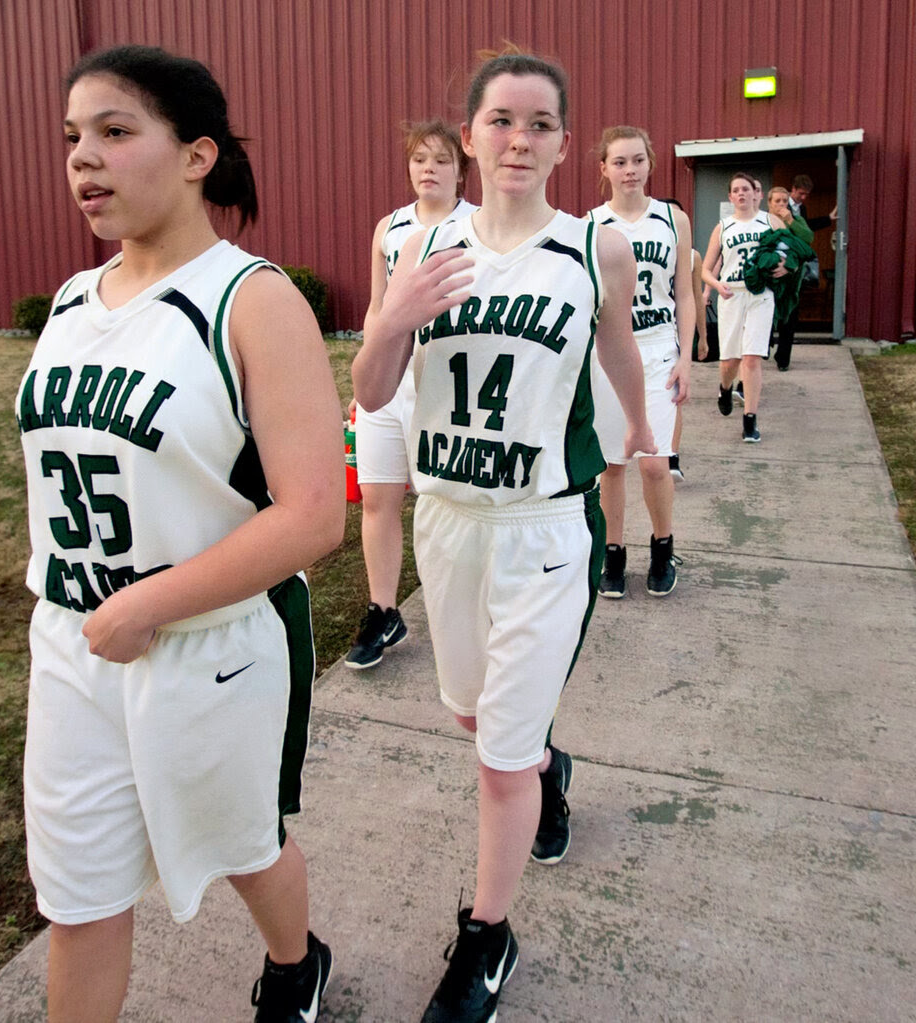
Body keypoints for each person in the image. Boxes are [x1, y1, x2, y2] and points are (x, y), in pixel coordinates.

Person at [16, 45, 344, 1022]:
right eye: (74, 137)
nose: (84, 158)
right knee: (79, 900)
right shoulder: (74, 301)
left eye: (115, 132)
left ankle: (296, 961)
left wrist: (149, 602)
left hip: (210, 650)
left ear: (197, 154)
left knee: (244, 847)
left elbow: (314, 514)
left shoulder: (250, 298)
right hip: (73, 647)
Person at [353, 49, 654, 1023]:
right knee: (479, 726)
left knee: (494, 763)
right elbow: (367, 392)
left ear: (565, 144)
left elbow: (613, 347)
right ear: (471, 134)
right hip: (445, 522)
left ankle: (487, 934)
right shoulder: (421, 245)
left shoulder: (588, 248)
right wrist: (391, 315)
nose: (518, 139)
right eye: (500, 120)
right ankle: (545, 765)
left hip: (542, 527)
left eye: (537, 124)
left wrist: (643, 428)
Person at [345, 121, 477, 669]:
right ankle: (383, 611)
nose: (429, 169)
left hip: (445, 381)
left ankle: (464, 612)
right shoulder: (389, 228)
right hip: (391, 379)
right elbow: (379, 309)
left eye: (441, 160)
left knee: (445, 504)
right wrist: (366, 375)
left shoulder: (478, 225)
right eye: (419, 159)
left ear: (460, 169)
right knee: (378, 499)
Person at [587, 131, 694, 598]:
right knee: (611, 465)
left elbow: (686, 293)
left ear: (650, 163)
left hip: (658, 351)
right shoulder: (590, 224)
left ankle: (662, 547)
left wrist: (687, 357)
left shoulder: (673, 218)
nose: (629, 170)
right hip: (609, 353)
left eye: (637, 160)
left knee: (654, 463)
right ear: (604, 169)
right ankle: (613, 554)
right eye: (619, 162)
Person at [702, 172, 786, 443]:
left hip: (760, 294)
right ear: (730, 197)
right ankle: (725, 388)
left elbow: (793, 251)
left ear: (755, 193)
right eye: (736, 190)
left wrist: (785, 266)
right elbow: (704, 269)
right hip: (732, 295)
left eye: (745, 189)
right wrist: (715, 285)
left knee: (752, 357)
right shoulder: (723, 227)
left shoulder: (770, 222)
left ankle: (750, 420)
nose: (741, 194)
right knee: (730, 360)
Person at [773, 175, 834, 371]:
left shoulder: (800, 211)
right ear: (793, 190)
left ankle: (783, 359)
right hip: (775, 268)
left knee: (791, 314)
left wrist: (827, 219)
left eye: (807, 195)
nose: (804, 198)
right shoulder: (774, 213)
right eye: (801, 194)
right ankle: (764, 347)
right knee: (770, 312)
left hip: (794, 270)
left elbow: (805, 231)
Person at [669, 243, 708, 482]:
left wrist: (702, 336)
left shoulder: (692, 257)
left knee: (673, 397)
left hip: (672, 334)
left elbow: (695, 298)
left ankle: (672, 456)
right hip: (638, 331)